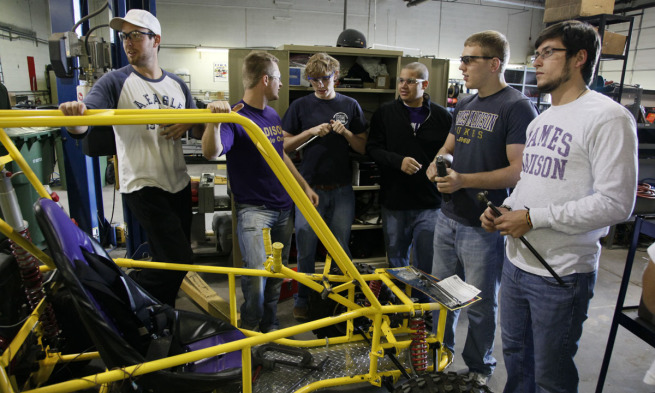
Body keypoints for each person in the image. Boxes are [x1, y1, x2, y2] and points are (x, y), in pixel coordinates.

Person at [480, 20, 637, 392]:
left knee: (550, 375)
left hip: (561, 273)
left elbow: (617, 204)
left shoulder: (608, 117)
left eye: (548, 53)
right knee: (516, 359)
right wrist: (505, 209)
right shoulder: (542, 119)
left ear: (580, 58)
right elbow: (530, 182)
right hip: (517, 264)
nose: (537, 61)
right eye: (537, 53)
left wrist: (534, 218)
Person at [58, 9, 230, 306]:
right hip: (142, 183)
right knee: (179, 257)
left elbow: (199, 120)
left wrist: (193, 119)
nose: (128, 42)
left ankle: (160, 314)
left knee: (170, 261)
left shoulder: (176, 84)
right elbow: (83, 123)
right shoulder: (115, 81)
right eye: (124, 36)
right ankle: (122, 297)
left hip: (176, 181)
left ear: (156, 40)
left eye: (136, 35)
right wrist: (74, 117)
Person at [425, 31, 538, 384]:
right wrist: (438, 162)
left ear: (494, 63)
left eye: (469, 59)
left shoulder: (516, 106)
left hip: (483, 225)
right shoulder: (467, 104)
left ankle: (478, 368)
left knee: (479, 304)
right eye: (462, 58)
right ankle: (439, 358)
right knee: (442, 297)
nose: (462, 66)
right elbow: (449, 146)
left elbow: (518, 170)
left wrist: (463, 180)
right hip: (448, 217)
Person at [203, 51, 319, 333]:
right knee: (256, 278)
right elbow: (211, 151)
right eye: (278, 78)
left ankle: (271, 327)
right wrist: (214, 121)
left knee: (277, 275)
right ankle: (251, 332)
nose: (281, 84)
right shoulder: (236, 116)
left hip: (283, 207)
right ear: (265, 80)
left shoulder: (271, 114)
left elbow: (279, 155)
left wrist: (303, 187)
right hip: (254, 211)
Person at [281, 53, 367, 320]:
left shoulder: (351, 105)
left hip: (341, 189)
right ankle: (303, 298)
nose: (320, 84)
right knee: (305, 247)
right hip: (309, 188)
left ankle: (344, 297)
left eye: (325, 78)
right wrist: (309, 132)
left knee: (340, 246)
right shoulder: (300, 106)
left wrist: (346, 133)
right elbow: (282, 147)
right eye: (314, 79)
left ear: (336, 77)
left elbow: (362, 147)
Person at [366, 62, 451, 280]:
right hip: (395, 202)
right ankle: (399, 306)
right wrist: (398, 161)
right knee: (396, 259)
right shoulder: (385, 113)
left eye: (411, 81)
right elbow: (372, 148)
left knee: (427, 262)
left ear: (425, 84)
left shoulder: (442, 117)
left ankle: (422, 309)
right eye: (401, 80)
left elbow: (452, 152)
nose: (403, 86)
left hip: (430, 203)